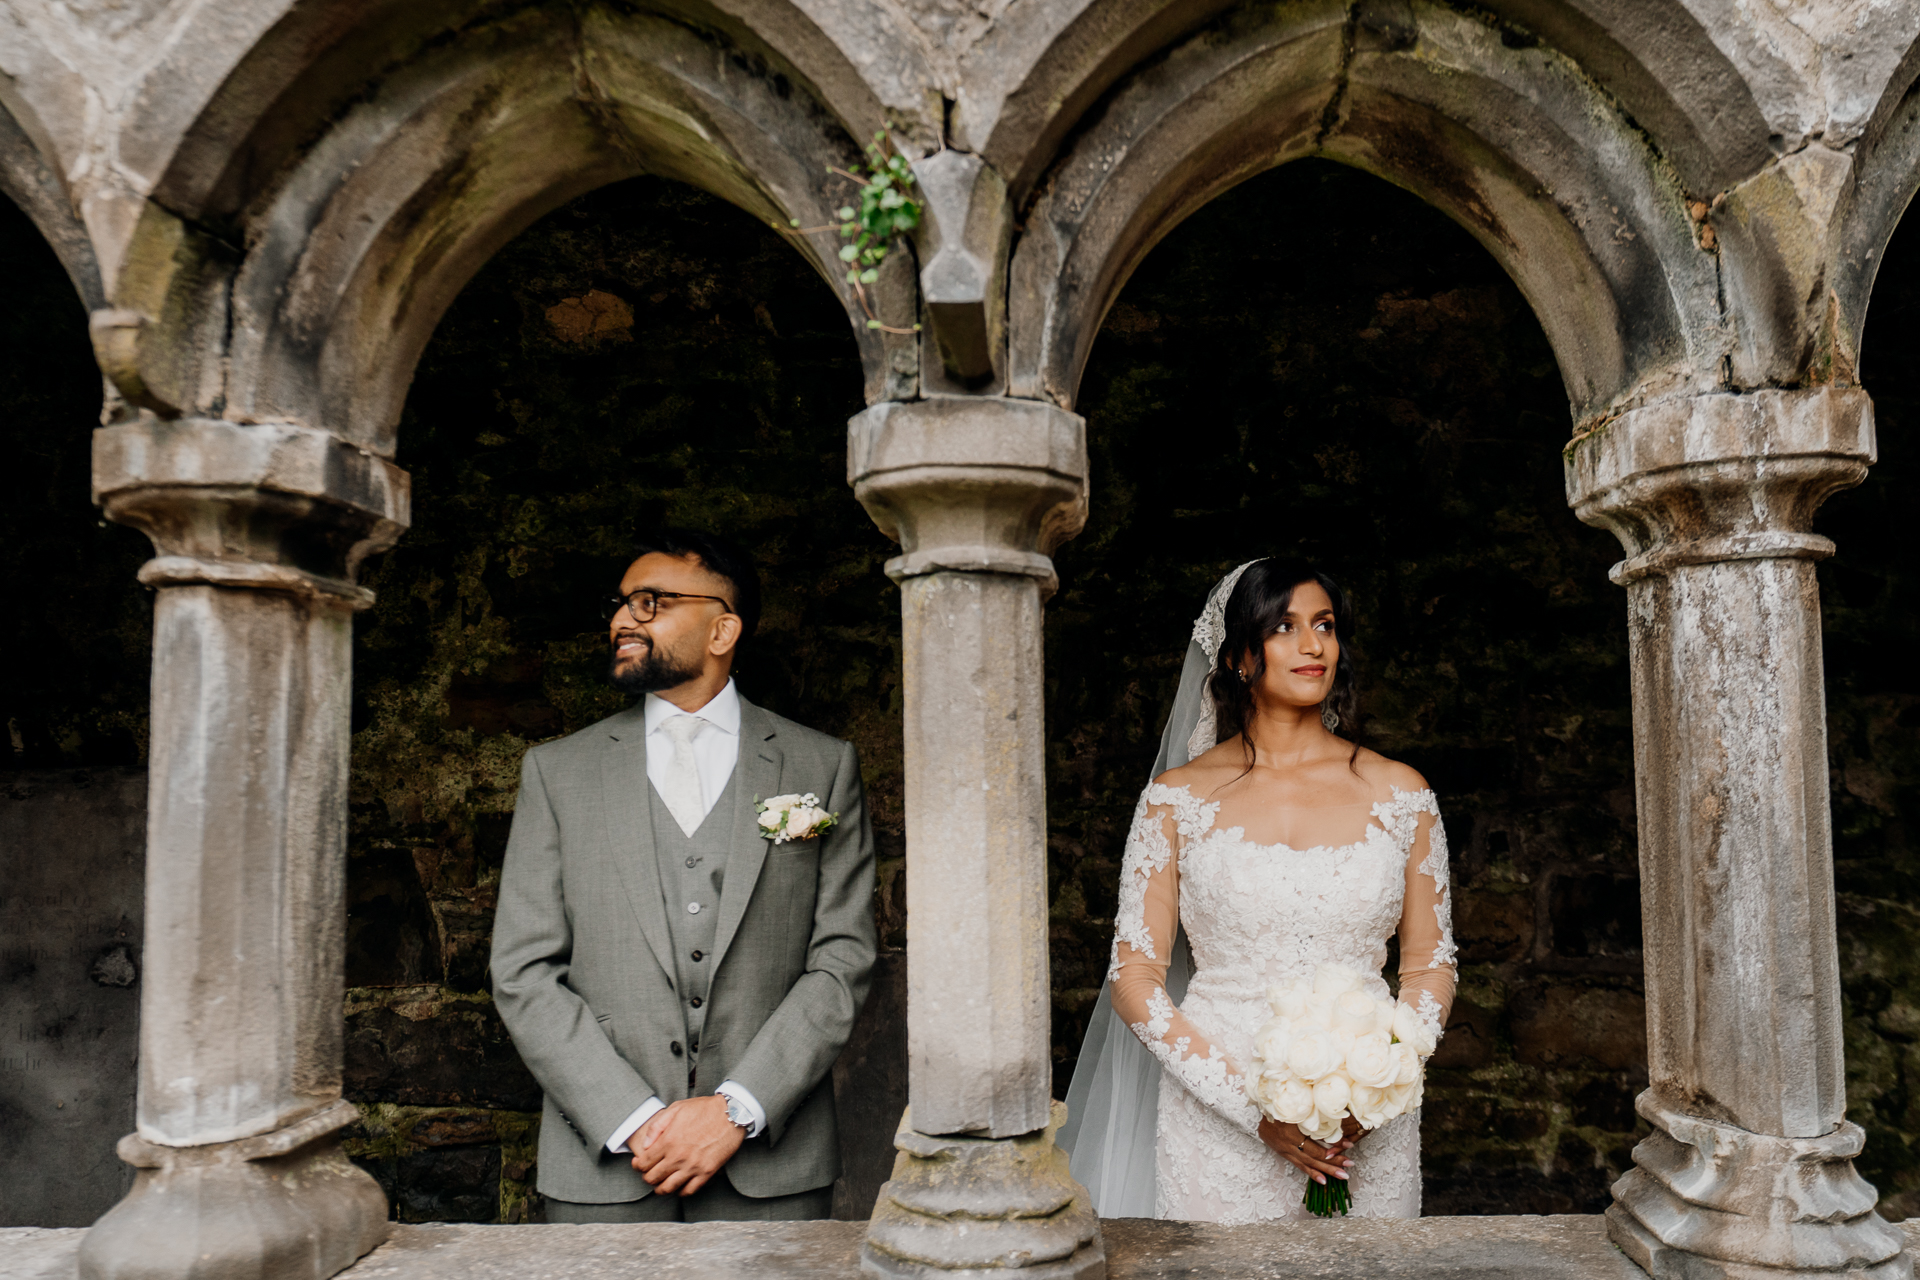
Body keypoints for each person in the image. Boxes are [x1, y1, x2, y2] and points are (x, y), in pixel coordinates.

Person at [490, 529, 877, 1222]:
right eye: (619, 604)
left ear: (722, 627)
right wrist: (634, 1118)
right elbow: (523, 969)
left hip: (772, 1170)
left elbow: (842, 958)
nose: (621, 620)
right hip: (604, 1168)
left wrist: (737, 1109)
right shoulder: (557, 773)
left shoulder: (821, 766)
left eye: (650, 602)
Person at [1061, 558, 1456, 1222]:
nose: (1313, 646)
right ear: (1242, 655)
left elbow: (1430, 966)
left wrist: (1378, 1082)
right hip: (1219, 1120)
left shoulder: (1403, 793)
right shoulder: (1176, 801)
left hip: (1366, 1131)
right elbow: (1134, 977)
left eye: (1325, 626)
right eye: (1285, 627)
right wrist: (1251, 1109)